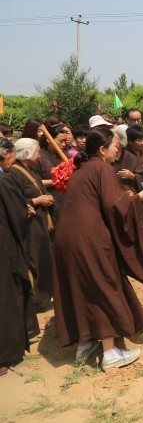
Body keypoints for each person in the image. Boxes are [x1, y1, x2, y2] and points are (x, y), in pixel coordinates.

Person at [52, 128, 143, 369]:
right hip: (89, 239)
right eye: (115, 147)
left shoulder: (81, 169)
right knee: (103, 285)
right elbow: (115, 206)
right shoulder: (102, 168)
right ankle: (110, 353)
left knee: (81, 288)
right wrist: (139, 198)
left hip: (66, 238)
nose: (117, 151)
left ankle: (85, 343)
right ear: (102, 149)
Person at [0, 138, 40, 376]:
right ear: (6, 153)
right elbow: (16, 215)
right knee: (7, 297)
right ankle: (7, 353)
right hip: (5, 246)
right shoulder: (4, 181)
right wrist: (26, 210)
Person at [8, 138, 56, 311]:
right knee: (34, 260)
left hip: (41, 221)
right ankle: (37, 301)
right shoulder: (13, 173)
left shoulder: (31, 169)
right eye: (37, 153)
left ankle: (46, 295)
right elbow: (12, 200)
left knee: (44, 257)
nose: (39, 157)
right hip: (28, 224)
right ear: (27, 154)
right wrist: (36, 200)